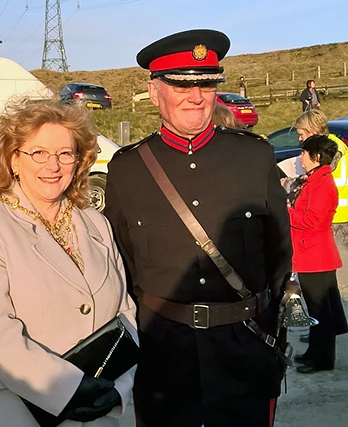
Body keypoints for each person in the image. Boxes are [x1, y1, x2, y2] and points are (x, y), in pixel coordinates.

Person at [105, 29, 292, 427]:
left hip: (244, 347)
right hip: (163, 354)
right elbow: (122, 263)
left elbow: (279, 256)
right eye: (181, 85)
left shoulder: (254, 156)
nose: (196, 96)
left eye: (206, 84)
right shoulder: (126, 169)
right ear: (155, 92)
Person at [0, 97, 138, 426]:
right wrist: (68, 389)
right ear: (12, 160)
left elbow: (126, 315)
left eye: (65, 153)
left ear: (80, 161)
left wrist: (119, 388)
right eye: (39, 153)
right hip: (11, 411)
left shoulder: (96, 223)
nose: (54, 166)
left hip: (100, 413)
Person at [287, 135, 348, 373]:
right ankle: (314, 352)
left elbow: (313, 220)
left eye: (304, 152)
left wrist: (287, 211)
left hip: (316, 255)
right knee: (316, 310)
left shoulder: (322, 184)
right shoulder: (313, 180)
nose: (301, 157)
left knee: (320, 311)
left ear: (317, 157)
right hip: (310, 253)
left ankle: (323, 360)